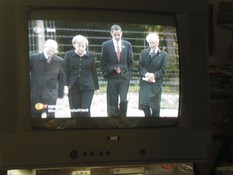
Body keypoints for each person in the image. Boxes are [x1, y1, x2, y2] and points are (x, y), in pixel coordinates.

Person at [100, 24, 134, 117]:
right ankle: (112, 120)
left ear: (121, 33)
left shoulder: (127, 45)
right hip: (112, 77)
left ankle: (123, 119)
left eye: (119, 34)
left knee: (123, 100)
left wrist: (129, 74)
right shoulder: (106, 45)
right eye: (115, 35)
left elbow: (130, 61)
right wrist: (106, 73)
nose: (117, 37)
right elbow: (103, 62)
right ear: (111, 33)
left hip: (124, 77)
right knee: (112, 100)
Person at [64, 35, 99, 117]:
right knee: (74, 112)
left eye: (83, 46)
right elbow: (65, 72)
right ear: (74, 45)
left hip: (88, 87)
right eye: (79, 46)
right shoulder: (68, 55)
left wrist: (96, 87)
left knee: (85, 111)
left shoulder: (91, 56)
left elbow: (94, 72)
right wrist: (65, 85)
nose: (81, 48)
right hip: (73, 87)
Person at [30, 39, 65, 118]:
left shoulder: (60, 61)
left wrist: (60, 95)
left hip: (51, 95)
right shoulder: (33, 58)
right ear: (44, 47)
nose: (52, 52)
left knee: (51, 117)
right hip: (36, 94)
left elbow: (61, 79)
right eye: (50, 49)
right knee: (35, 115)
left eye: (54, 50)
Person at [138, 32, 168, 117]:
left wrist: (154, 75)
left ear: (158, 42)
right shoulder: (144, 53)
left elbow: (163, 69)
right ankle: (147, 119)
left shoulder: (163, 55)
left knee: (155, 108)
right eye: (150, 43)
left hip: (156, 84)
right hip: (145, 83)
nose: (152, 45)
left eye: (153, 43)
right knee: (144, 104)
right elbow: (140, 67)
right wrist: (147, 74)